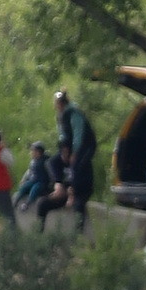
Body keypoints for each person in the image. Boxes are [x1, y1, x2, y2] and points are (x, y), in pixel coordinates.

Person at [54, 88, 96, 237]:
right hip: (71, 145)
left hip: (86, 145)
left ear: (62, 103)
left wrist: (74, 152)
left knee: (78, 165)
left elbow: (78, 134)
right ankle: (59, 186)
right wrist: (63, 150)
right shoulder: (61, 116)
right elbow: (62, 134)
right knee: (54, 162)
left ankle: (74, 192)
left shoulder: (74, 113)